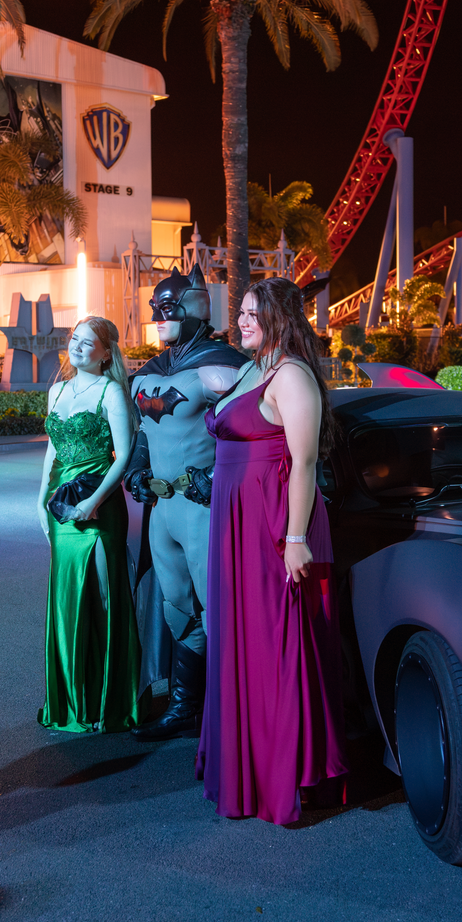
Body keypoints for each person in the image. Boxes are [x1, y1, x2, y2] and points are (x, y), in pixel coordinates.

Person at [198, 276, 348, 824]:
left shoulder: (292, 377)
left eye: (252, 314)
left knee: (273, 646)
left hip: (271, 526)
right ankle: (244, 768)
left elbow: (304, 464)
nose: (241, 321)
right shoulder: (248, 371)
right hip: (233, 525)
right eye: (239, 312)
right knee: (240, 642)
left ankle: (279, 777)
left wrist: (295, 539)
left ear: (280, 317)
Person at [124, 267, 247, 740]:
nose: (158, 315)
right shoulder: (151, 372)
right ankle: (185, 708)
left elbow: (252, 433)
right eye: (155, 306)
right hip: (164, 510)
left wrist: (218, 476)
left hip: (204, 507)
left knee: (219, 609)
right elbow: (142, 435)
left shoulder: (224, 366)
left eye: (168, 306)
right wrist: (136, 470)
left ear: (194, 307)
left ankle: (229, 711)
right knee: (178, 606)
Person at [36, 316, 142, 733]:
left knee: (103, 598)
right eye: (75, 340)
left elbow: (124, 454)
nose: (79, 347)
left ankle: (108, 702)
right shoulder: (57, 390)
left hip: (101, 508)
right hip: (63, 508)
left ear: (106, 351)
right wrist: (39, 500)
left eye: (88, 342)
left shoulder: (111, 391)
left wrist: (96, 502)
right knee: (66, 601)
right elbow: (52, 450)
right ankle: (72, 701)